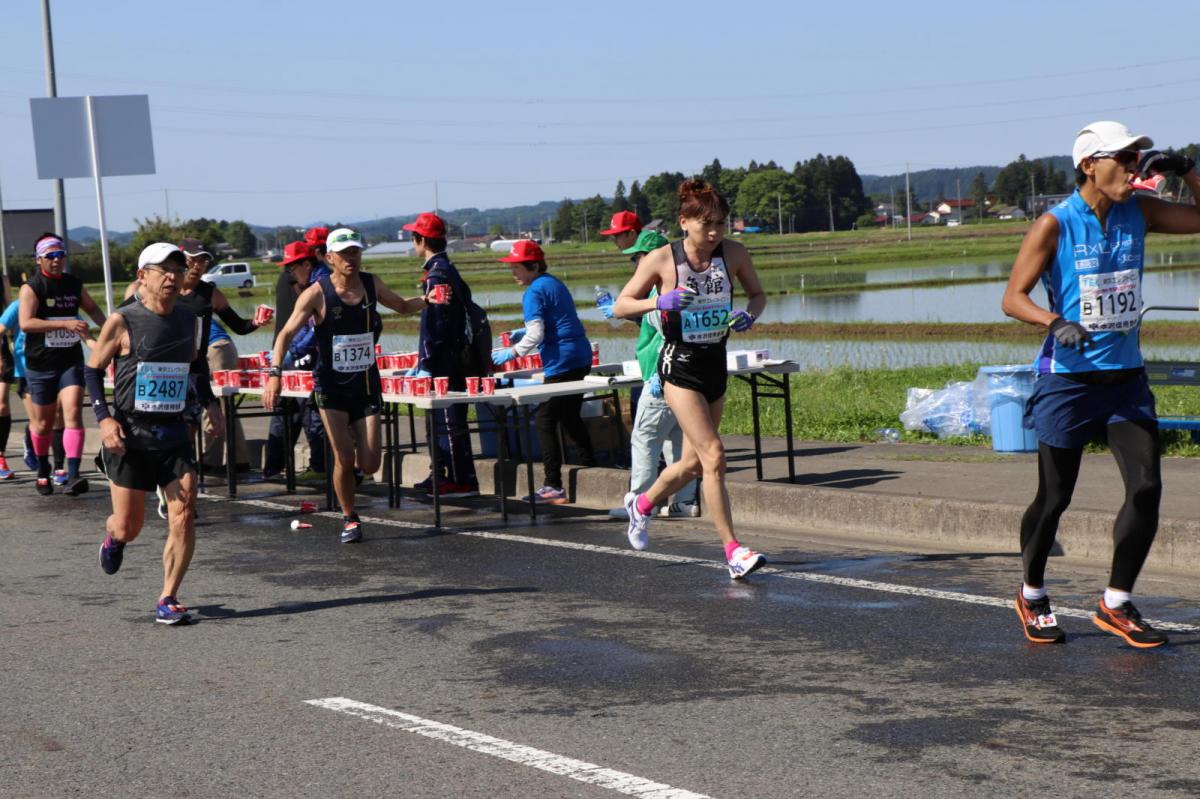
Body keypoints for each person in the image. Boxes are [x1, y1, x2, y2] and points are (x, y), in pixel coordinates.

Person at [1002, 121, 1200, 648]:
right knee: (1055, 497)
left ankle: (1115, 603)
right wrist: (1053, 322)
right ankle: (1031, 593)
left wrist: (1187, 170)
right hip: (1068, 381)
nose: (1136, 168)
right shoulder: (1055, 223)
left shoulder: (1141, 212)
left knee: (1147, 487)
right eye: (1124, 159)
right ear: (1089, 164)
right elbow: (1013, 297)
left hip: (1125, 381)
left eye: (1139, 158)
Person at [612, 178, 767, 579]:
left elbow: (757, 294)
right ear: (684, 222)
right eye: (706, 225)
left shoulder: (733, 253)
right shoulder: (663, 259)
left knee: (694, 464)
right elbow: (620, 305)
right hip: (678, 365)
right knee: (715, 456)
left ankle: (642, 504)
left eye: (720, 223)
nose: (715, 232)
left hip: (715, 361)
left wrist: (750, 314)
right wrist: (657, 301)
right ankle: (733, 551)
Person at [264, 227, 431, 543]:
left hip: (366, 384)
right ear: (329, 258)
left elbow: (402, 306)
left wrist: (427, 299)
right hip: (331, 388)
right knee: (344, 458)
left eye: (355, 251)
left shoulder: (371, 284)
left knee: (370, 462)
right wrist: (275, 374)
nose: (351, 258)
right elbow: (285, 334)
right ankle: (350, 518)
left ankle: (349, 476)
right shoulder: (315, 293)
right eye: (343, 254)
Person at [88, 243, 208, 625]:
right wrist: (105, 420)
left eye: (177, 267)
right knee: (129, 525)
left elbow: (196, 365)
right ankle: (114, 537)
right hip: (130, 434)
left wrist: (211, 405)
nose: (172, 275)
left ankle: (168, 596)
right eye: (163, 269)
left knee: (185, 510)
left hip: (172, 433)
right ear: (144, 275)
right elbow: (93, 371)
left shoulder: (190, 320)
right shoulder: (123, 320)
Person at [492, 240, 595, 504]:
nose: (513, 272)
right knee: (570, 415)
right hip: (580, 355)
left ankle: (553, 486)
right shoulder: (553, 282)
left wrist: (512, 352)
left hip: (562, 360)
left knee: (545, 420)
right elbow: (552, 322)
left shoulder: (533, 292)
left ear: (533, 265)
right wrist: (523, 331)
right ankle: (591, 467)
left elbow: (537, 333)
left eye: (517, 267)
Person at [607, 229, 699, 520]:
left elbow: (665, 336)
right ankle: (683, 502)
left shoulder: (663, 290)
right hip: (685, 377)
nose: (636, 264)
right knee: (678, 442)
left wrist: (659, 377)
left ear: (653, 257)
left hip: (663, 377)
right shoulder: (674, 287)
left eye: (638, 257)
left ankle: (638, 503)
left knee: (645, 439)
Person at [18, 233, 107, 496]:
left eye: (61, 255)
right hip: (41, 363)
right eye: (50, 256)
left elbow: (93, 309)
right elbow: (26, 323)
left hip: (70, 360)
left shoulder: (73, 284)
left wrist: (113, 329)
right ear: (39, 260)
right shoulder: (32, 287)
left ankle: (74, 474)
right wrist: (65, 323)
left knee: (73, 412)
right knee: (44, 424)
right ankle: (43, 469)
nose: (57, 261)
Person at [405, 212, 478, 497]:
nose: (414, 244)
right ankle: (445, 474)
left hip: (444, 361)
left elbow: (436, 323)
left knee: (448, 422)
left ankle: (460, 480)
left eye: (414, 239)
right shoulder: (446, 268)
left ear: (421, 240)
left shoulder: (437, 275)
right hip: (451, 356)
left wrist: (426, 361)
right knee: (446, 421)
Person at [263, 240, 328, 481]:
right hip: (307, 359)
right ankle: (318, 467)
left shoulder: (320, 285)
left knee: (313, 414)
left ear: (307, 263)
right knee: (299, 413)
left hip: (318, 363)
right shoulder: (312, 282)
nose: (290, 273)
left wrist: (293, 351)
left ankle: (323, 468)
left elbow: (315, 329)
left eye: (293, 267)